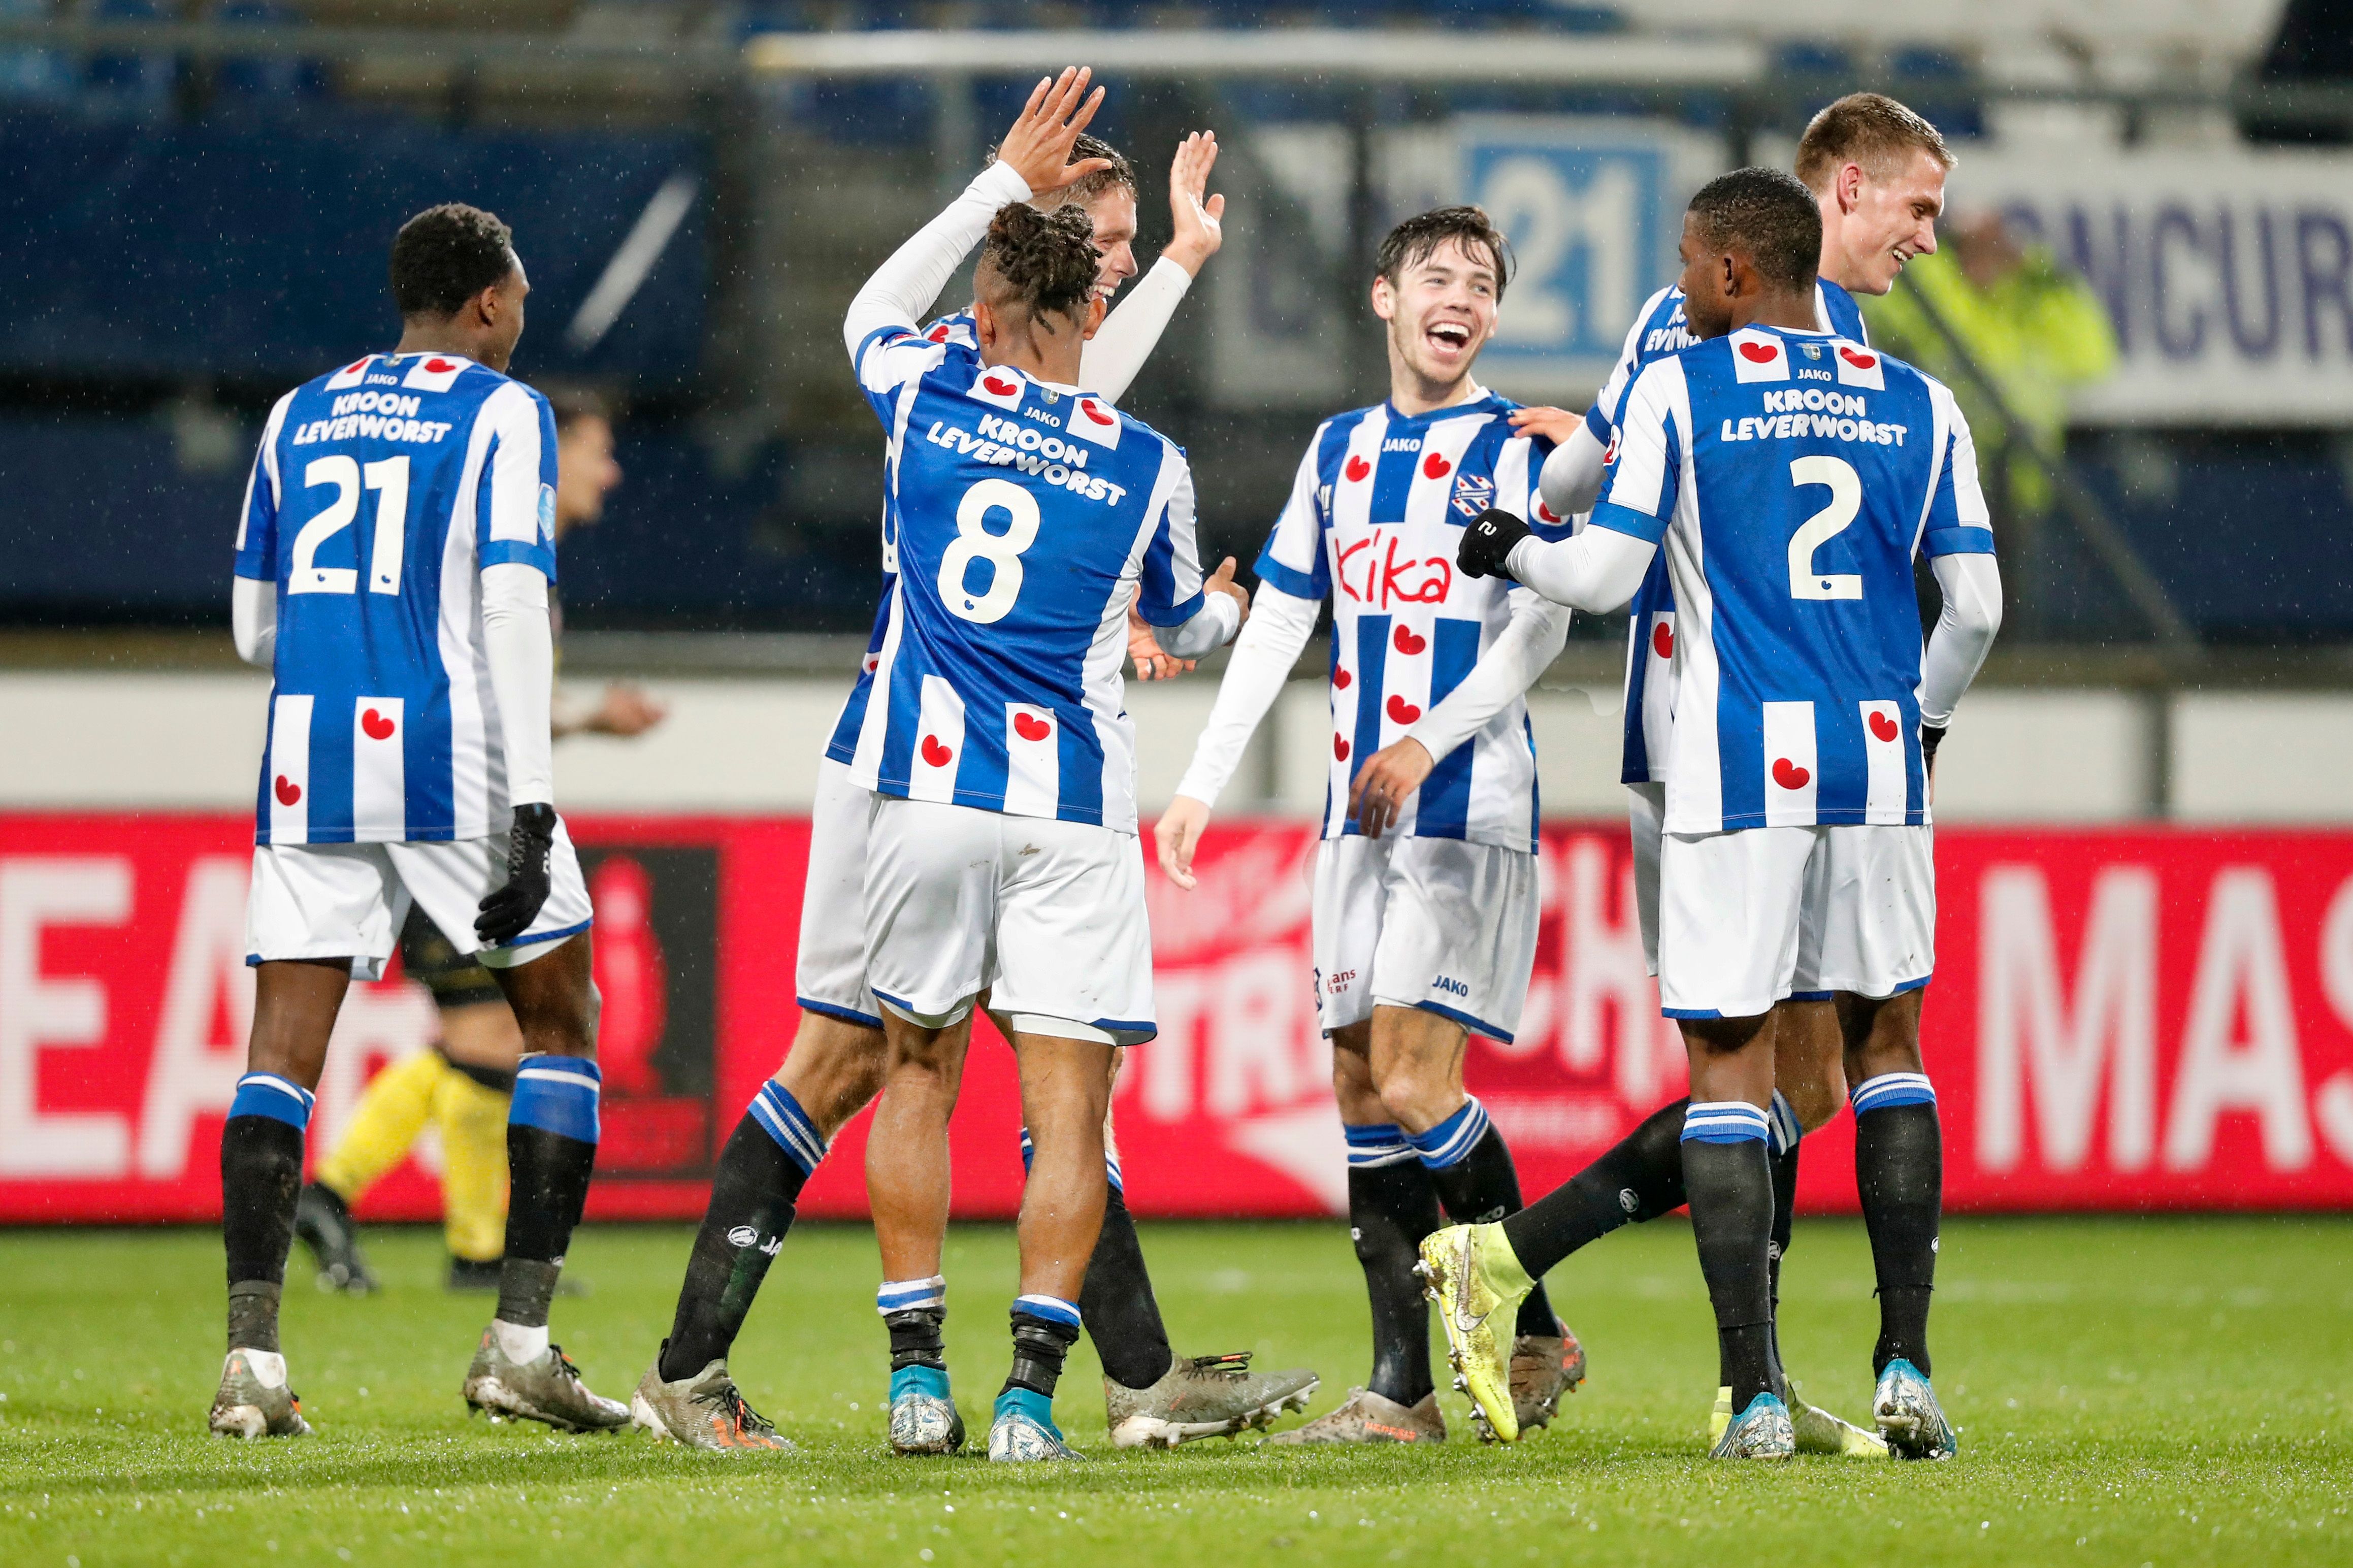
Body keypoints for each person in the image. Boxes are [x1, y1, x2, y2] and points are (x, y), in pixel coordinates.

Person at [630, 90, 1314, 1456]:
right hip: (921, 770)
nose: (1116, 259)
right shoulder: (1011, 386)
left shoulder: (949, 391)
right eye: (1101, 242)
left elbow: (1060, 391)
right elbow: (1082, 415)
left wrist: (1179, 257)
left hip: (933, 770)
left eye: (1128, 242)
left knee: (972, 1073)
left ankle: (1103, 1371)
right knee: (891, 1069)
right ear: (1029, 263)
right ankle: (712, 1367)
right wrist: (1192, 608)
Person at [1427, 166, 2002, 1460]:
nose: (1679, 284)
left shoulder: (1680, 372)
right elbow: (1973, 607)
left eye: (1690, 262)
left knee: (1740, 1071)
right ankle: (1904, 1366)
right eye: (1911, 212)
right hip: (1876, 764)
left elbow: (1604, 556)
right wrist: (1918, 729)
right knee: (1881, 1052)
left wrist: (1505, 540)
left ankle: (1740, 1385)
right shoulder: (1923, 398)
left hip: (1730, 761)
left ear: (1735, 271)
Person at [840, 68, 1246, 1461]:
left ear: (994, 317)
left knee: (915, 1073)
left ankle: (912, 1378)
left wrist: (995, 189)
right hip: (1070, 808)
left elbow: (870, 316)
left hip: (930, 792)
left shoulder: (926, 405)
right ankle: (1027, 1401)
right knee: (1068, 1104)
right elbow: (1187, 621)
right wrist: (1231, 609)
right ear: (1095, 314)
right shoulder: (1145, 464)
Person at [1155, 205, 1585, 1446]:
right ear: (1383, 299)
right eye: (1437, 276)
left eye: (1484, 283)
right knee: (1355, 1088)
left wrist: (1428, 736)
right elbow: (1283, 620)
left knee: (1408, 1074)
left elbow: (1544, 622)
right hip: (1358, 813)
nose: (1462, 297)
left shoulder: (1518, 451)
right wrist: (1201, 781)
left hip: (1463, 804)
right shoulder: (1338, 450)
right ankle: (1401, 1394)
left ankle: (1541, 1322)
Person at [209, 203, 627, 1438]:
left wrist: (343, 655)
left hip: (310, 753)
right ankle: (519, 1344)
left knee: (280, 1050)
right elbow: (510, 602)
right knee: (562, 1016)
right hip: (447, 755)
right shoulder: (505, 411)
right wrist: (535, 799)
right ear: (490, 302)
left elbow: (251, 630)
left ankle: (250, 1366)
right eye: (524, 297)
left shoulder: (299, 411)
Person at [292, 388, 665, 1296]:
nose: (608, 473)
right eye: (595, 450)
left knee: (487, 1035)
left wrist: (580, 725)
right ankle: (337, 1196)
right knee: (493, 1032)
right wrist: (582, 727)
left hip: (442, 809)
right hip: (454, 821)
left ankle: (469, 1246)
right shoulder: (510, 564)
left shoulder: (508, 558)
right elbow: (491, 699)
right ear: (553, 453)